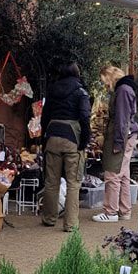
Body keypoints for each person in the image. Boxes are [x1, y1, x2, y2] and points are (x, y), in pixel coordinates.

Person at [40, 61, 92, 231]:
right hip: (72, 138)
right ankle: (70, 224)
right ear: (77, 73)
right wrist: (84, 140)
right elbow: (84, 117)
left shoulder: (52, 90)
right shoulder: (81, 92)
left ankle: (49, 218)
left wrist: (44, 139)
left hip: (52, 136)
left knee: (51, 181)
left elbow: (44, 117)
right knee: (73, 183)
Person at [93, 64, 138, 223]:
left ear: (110, 77)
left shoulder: (122, 91)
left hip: (121, 136)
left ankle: (110, 211)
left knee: (112, 173)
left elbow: (121, 119)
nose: (105, 85)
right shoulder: (126, 88)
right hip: (128, 134)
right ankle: (124, 210)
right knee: (123, 174)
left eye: (104, 80)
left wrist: (118, 143)